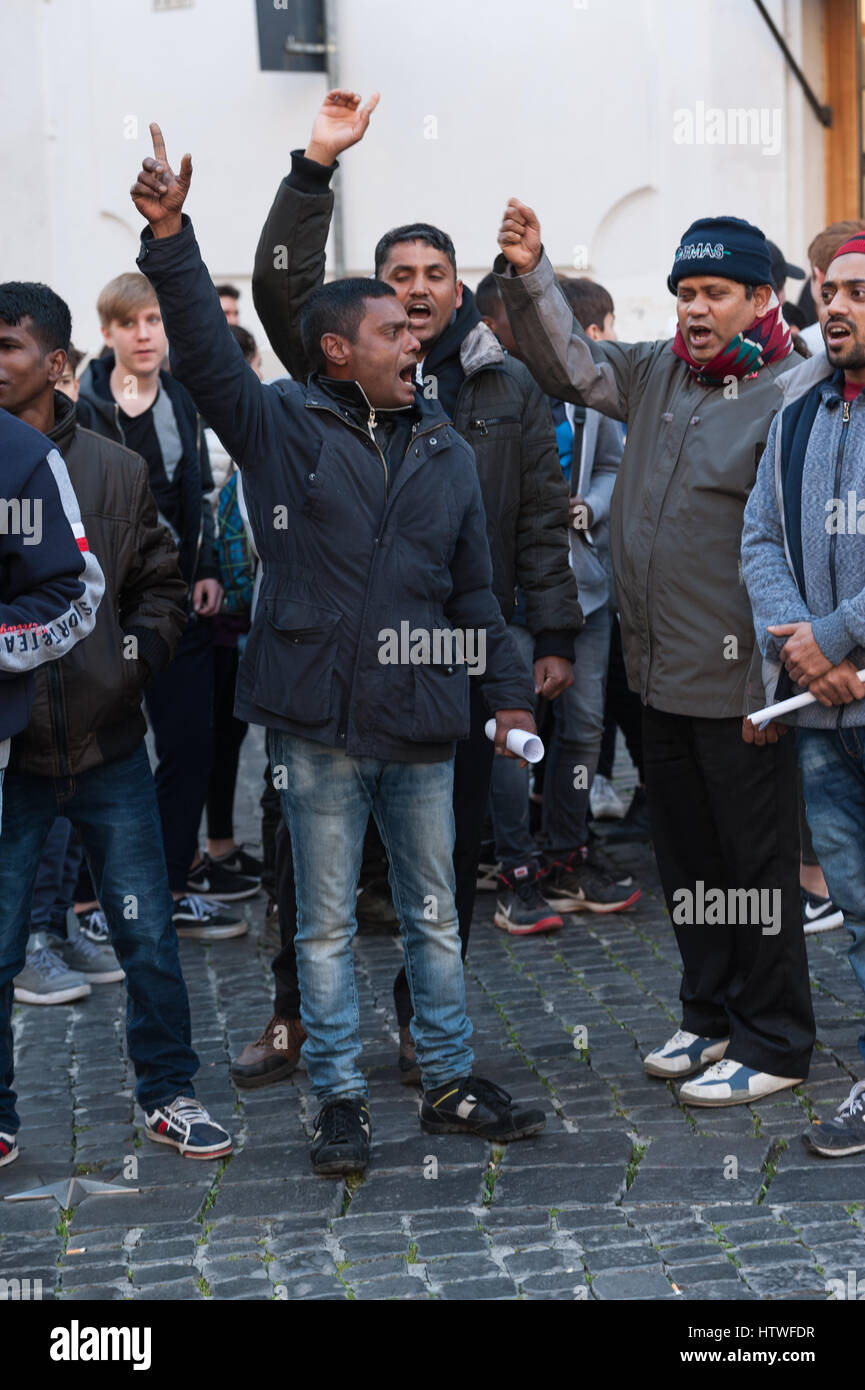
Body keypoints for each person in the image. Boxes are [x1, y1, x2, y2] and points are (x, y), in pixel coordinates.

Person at [130, 121, 550, 1175]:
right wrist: (172, 239)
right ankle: (340, 1098)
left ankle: (449, 1080)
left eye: (416, 326)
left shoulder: (448, 449)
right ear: (336, 352)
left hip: (419, 723)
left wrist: (507, 699)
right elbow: (210, 354)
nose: (414, 338)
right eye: (391, 330)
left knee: (434, 918)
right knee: (319, 927)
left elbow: (475, 593)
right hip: (312, 727)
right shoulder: (278, 427)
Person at [248, 88, 583, 1079]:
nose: (421, 289)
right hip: (331, 667)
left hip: (454, 660)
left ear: (457, 292)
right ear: (371, 302)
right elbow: (281, 288)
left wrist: (548, 640)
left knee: (447, 860)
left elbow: (534, 521)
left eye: (437, 273)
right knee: (304, 861)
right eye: (400, 275)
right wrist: (315, 170)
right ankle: (294, 1017)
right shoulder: (329, 386)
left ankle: (416, 1026)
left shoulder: (502, 385)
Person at [497, 203, 815, 1107]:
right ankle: (708, 1013)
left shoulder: (793, 391)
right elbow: (565, 360)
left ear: (761, 297)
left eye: (714, 291)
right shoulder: (653, 374)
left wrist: (782, 672)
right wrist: (532, 273)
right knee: (688, 862)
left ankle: (775, 1038)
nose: (694, 309)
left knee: (754, 873)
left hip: (744, 683)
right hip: (657, 674)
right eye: (683, 292)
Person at [0, 280, 231, 1167]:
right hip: (9, 755)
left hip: (108, 748)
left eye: (9, 346)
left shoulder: (114, 469)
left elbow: (160, 592)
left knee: (144, 935)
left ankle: (168, 1094)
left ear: (55, 363)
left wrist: (125, 667)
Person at [78, 272, 255, 936]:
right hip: (101, 607)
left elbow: (195, 501)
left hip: (174, 599)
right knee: (98, 751)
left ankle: (173, 884)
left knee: (190, 740)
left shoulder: (180, 397)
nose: (145, 334)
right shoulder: (85, 404)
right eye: (131, 323)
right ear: (109, 332)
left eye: (154, 320)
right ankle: (90, 902)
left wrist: (204, 567)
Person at [742, 232, 865, 1154]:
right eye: (830, 289)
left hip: (838, 673)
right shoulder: (798, 413)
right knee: (858, 909)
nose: (838, 305)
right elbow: (759, 542)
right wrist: (801, 653)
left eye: (859, 290)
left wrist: (828, 638)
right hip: (824, 713)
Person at [476, 272, 638, 927]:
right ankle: (514, 866)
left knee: (583, 732)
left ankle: (567, 853)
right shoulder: (488, 392)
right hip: (512, 596)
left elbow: (609, 465)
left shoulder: (588, 389)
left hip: (584, 590)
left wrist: (588, 507)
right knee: (516, 736)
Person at [798, 222, 865, 357]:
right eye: (827, 295)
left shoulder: (806, 342)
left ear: (817, 275)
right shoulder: (796, 375)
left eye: (857, 293)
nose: (833, 307)